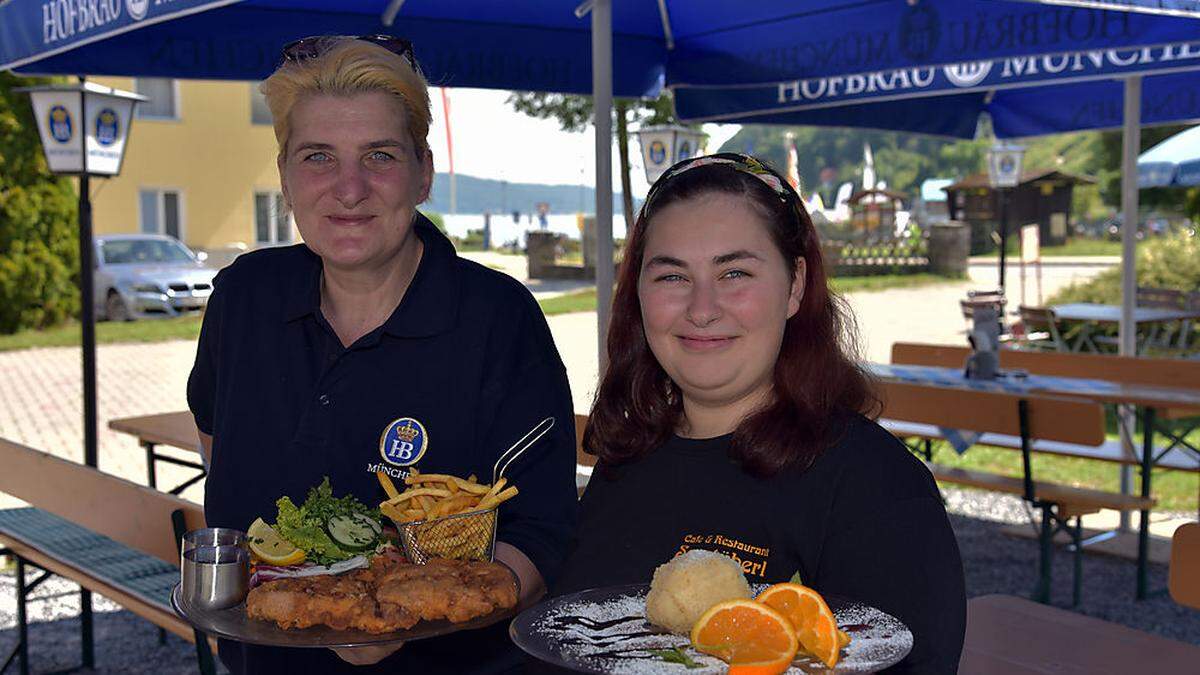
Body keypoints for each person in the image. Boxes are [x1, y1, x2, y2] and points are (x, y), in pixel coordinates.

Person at [186, 35, 577, 674]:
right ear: (284, 175)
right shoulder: (243, 297)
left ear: (422, 171)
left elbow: (542, 532)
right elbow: (215, 442)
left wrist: (411, 613)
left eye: (379, 155)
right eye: (318, 157)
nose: (349, 189)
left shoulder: (498, 318)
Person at [555, 153, 965, 673]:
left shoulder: (874, 487)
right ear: (637, 292)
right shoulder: (627, 459)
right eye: (672, 277)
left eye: (735, 272)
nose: (702, 308)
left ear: (794, 284)